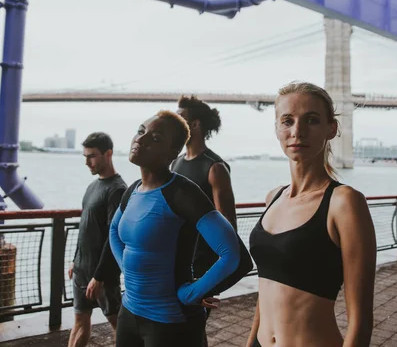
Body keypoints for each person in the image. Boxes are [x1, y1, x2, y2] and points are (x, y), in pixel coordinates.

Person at [247, 82, 376, 347]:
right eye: (287, 121)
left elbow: (360, 320)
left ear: (332, 128)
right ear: (277, 129)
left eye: (312, 120)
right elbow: (267, 291)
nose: (297, 131)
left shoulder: (344, 202)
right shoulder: (273, 198)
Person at [109, 110, 251, 347]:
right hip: (129, 313)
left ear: (173, 153)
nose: (140, 139)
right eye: (141, 131)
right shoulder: (132, 190)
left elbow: (235, 256)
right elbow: (114, 232)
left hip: (170, 322)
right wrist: (127, 269)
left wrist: (194, 292)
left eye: (156, 138)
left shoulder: (183, 194)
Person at [171, 95, 236, 347]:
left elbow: (228, 230)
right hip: (175, 264)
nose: (175, 123)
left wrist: (210, 281)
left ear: (195, 125)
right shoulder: (175, 163)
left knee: (191, 332)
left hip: (200, 270)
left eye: (180, 118)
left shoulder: (215, 167)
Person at [67, 132, 127, 347]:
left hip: (103, 276)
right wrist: (76, 259)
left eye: (91, 156)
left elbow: (115, 236)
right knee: (80, 321)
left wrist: (99, 277)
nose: (86, 162)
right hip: (82, 270)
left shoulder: (118, 190)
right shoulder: (92, 187)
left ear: (108, 154)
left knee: (118, 324)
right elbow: (86, 227)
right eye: (85, 156)